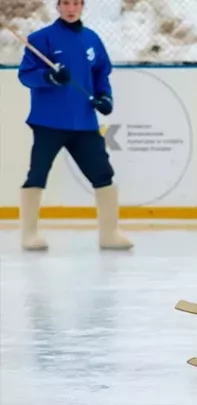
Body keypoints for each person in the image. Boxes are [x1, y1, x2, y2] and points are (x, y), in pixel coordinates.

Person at [17, 0, 133, 251]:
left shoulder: (92, 39)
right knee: (37, 174)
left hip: (84, 123)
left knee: (103, 173)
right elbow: (25, 75)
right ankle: (29, 234)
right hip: (48, 122)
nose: (71, 8)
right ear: (58, 7)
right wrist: (48, 76)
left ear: (82, 7)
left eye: (76, 3)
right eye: (66, 3)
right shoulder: (40, 39)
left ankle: (110, 234)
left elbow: (101, 74)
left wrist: (105, 97)